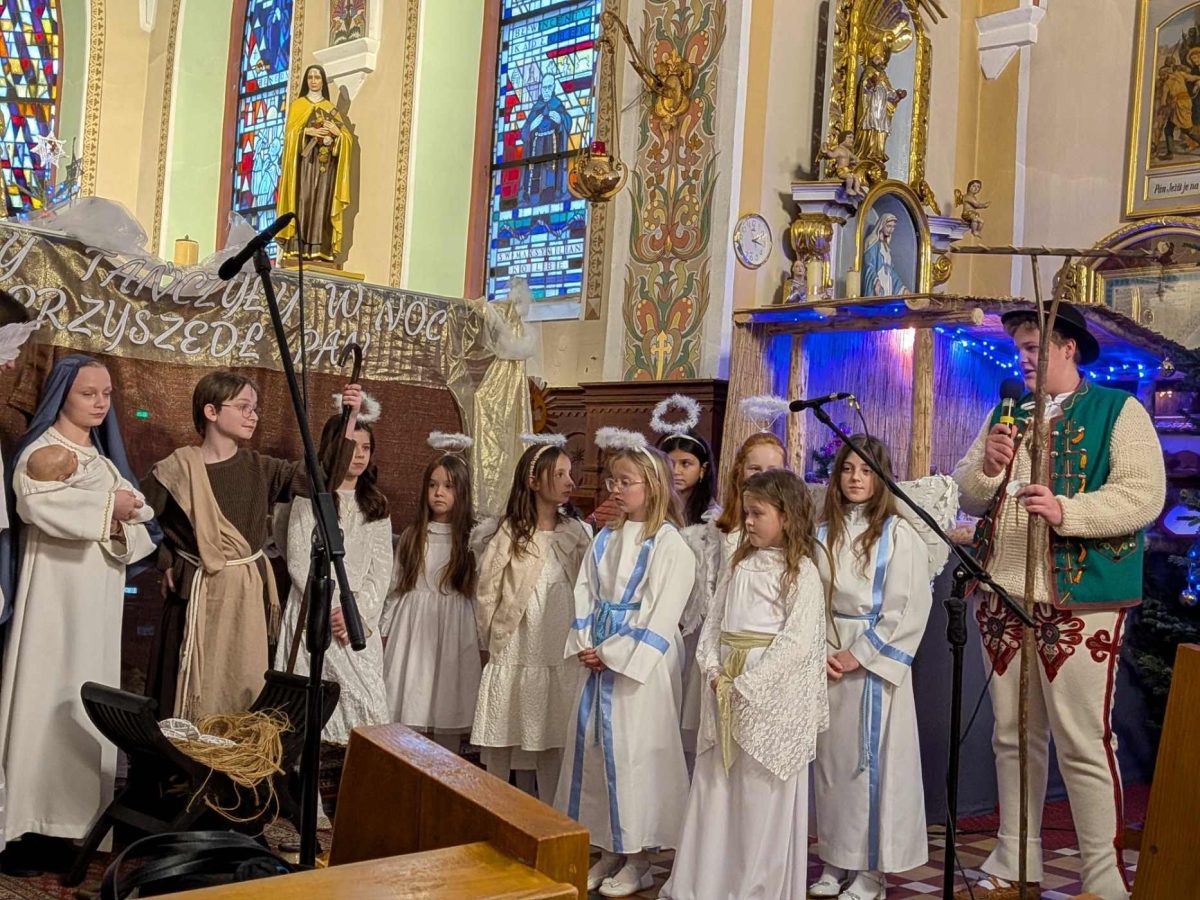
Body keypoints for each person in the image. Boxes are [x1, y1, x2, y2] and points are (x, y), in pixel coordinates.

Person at [952, 302, 1165, 900]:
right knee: (1012, 735)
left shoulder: (1118, 410)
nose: (1022, 359)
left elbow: (1144, 495)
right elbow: (968, 494)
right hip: (1003, 592)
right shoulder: (1007, 412)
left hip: (1078, 598)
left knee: (1082, 740)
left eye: (1033, 348)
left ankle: (1103, 878)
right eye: (1019, 348)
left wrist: (1067, 510)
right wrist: (987, 467)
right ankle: (1016, 858)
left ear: (1069, 347)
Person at [0, 355, 156, 870]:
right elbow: (35, 507)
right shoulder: (40, 451)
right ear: (62, 395)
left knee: (87, 703)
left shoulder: (104, 462)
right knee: (42, 695)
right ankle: (27, 825)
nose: (100, 403)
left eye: (106, 394)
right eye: (88, 393)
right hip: (52, 599)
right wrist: (108, 510)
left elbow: (141, 527)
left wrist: (118, 521)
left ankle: (74, 827)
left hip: (99, 601)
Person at [142, 371, 362, 720]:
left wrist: (349, 420)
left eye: (255, 408)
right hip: (194, 597)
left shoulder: (260, 468)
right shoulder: (177, 469)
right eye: (244, 407)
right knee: (182, 689)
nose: (253, 416)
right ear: (211, 411)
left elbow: (322, 480)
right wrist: (167, 558)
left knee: (240, 685)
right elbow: (139, 516)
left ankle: (230, 749)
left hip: (245, 597)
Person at [661, 469, 829, 900]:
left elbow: (796, 642)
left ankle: (754, 888)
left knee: (757, 797)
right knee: (719, 789)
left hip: (767, 698)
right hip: (724, 687)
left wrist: (749, 684)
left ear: (787, 517)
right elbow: (714, 623)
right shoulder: (739, 564)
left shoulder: (802, 573)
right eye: (746, 512)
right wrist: (711, 667)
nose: (748, 521)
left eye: (758, 513)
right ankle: (707, 885)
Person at [555, 430, 694, 898]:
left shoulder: (669, 544)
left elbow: (661, 613)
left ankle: (640, 858)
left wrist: (613, 653)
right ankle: (608, 847)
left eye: (625, 482)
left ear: (652, 487)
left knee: (635, 757)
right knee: (595, 754)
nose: (615, 489)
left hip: (639, 669)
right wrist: (586, 641)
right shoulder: (606, 537)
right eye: (612, 481)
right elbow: (585, 592)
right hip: (598, 657)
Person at [810, 436, 932, 900]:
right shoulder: (822, 533)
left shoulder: (899, 535)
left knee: (870, 768)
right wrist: (821, 651)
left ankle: (871, 870)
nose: (856, 478)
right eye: (847, 469)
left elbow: (908, 608)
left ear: (882, 477)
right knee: (830, 768)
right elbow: (809, 598)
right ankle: (835, 859)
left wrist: (858, 654)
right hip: (827, 660)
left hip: (872, 667)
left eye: (866, 470)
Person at [470, 438, 591, 802]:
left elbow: (589, 585)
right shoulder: (510, 532)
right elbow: (488, 589)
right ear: (533, 480)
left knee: (553, 733)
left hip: (558, 643)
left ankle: (553, 814)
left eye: (570, 473)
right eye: (559, 474)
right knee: (503, 730)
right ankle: (493, 806)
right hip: (517, 643)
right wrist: (491, 638)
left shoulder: (576, 532)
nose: (570, 482)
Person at [274, 404, 392, 745]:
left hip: (357, 620)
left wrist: (356, 612)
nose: (359, 455)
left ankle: (355, 776)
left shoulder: (376, 505)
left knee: (368, 707)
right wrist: (331, 605)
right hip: (315, 611)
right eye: (351, 447)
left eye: (366, 448)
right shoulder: (309, 497)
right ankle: (309, 778)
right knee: (310, 709)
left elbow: (381, 570)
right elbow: (299, 560)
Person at [380, 439, 480, 753]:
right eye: (433, 485)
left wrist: (483, 642)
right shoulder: (413, 536)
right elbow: (396, 587)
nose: (439, 493)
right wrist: (383, 630)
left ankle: (444, 774)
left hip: (455, 630)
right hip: (412, 629)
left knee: (448, 705)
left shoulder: (472, 540)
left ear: (462, 492)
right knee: (412, 699)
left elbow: (479, 595)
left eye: (448, 486)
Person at [653, 419, 720, 760]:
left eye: (686, 463)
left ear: (703, 469)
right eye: (670, 463)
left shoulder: (712, 521)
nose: (677, 471)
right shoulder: (652, 516)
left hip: (693, 625)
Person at [276, 64, 353, 262]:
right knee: (304, 200)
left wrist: (337, 134)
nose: (313, 81)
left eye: (317, 77)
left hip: (325, 169)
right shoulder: (298, 106)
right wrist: (306, 132)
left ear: (323, 81)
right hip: (303, 167)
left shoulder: (331, 109)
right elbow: (289, 136)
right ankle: (296, 246)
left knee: (322, 205)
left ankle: (321, 248)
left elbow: (346, 139)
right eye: (310, 77)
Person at [708, 432, 787, 581]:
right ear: (741, 471)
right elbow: (714, 575)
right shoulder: (722, 521)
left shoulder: (791, 521)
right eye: (755, 469)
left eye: (772, 470)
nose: (763, 477)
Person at [861, 213, 909, 297]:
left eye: (893, 227)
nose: (891, 230)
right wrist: (875, 281)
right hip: (878, 281)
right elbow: (868, 265)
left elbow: (891, 271)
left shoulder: (886, 246)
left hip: (887, 283)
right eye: (888, 226)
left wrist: (902, 288)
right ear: (882, 225)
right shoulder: (872, 242)